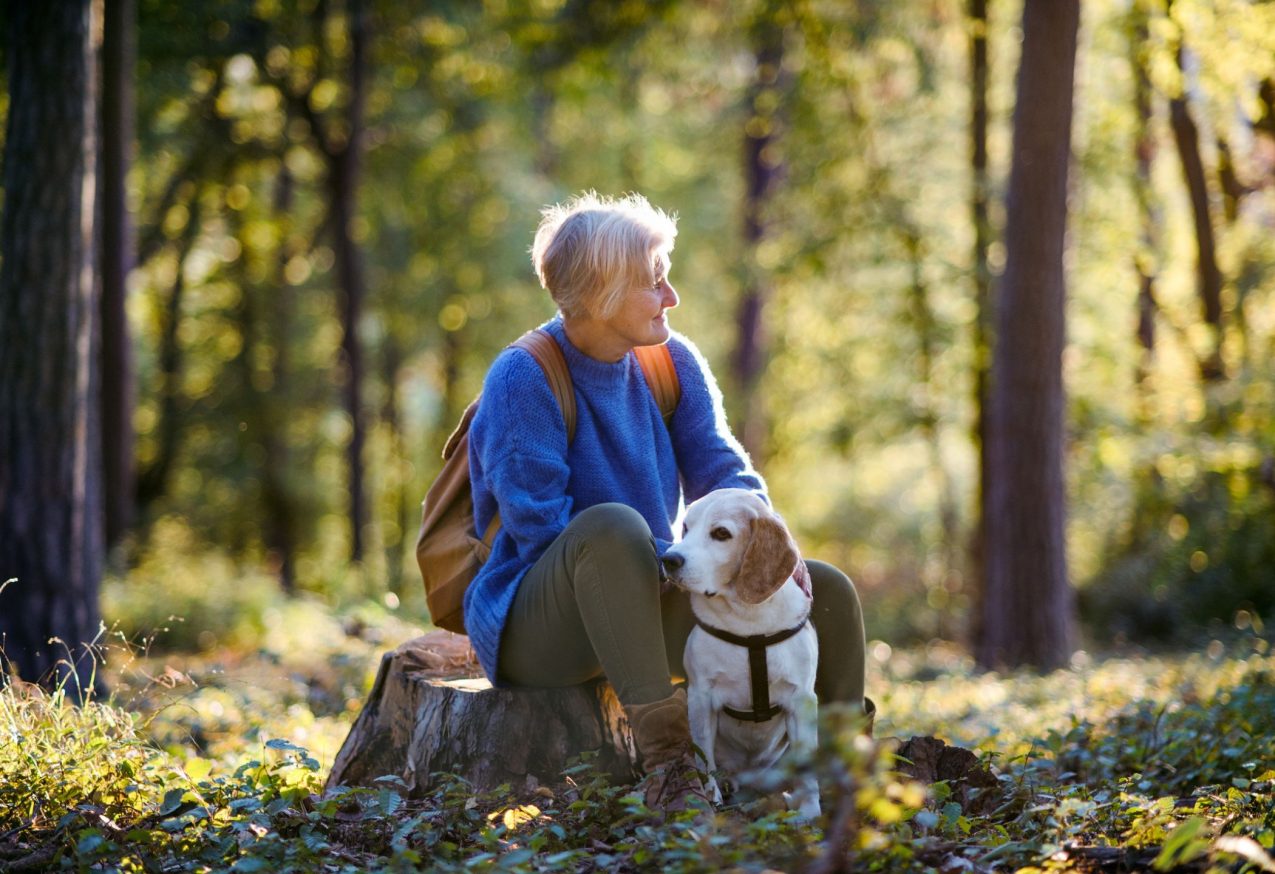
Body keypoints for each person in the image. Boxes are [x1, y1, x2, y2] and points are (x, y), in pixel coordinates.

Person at [464, 191, 870, 814]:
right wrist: (670, 558)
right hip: (543, 624)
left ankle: (841, 778)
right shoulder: (525, 377)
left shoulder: (671, 362)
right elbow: (540, 527)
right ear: (602, 291)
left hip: (651, 593)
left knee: (828, 589)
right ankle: (673, 768)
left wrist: (771, 546)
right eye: (655, 282)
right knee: (611, 528)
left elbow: (726, 471)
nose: (672, 297)